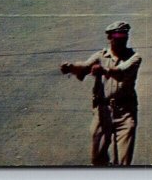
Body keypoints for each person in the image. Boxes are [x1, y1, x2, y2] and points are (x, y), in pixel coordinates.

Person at [60, 21, 142, 166]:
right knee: (97, 158)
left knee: (124, 161)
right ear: (110, 37)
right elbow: (84, 67)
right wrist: (71, 67)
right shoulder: (100, 56)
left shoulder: (134, 57)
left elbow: (121, 72)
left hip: (125, 112)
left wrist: (104, 70)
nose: (122, 38)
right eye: (117, 35)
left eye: (124, 35)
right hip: (103, 112)